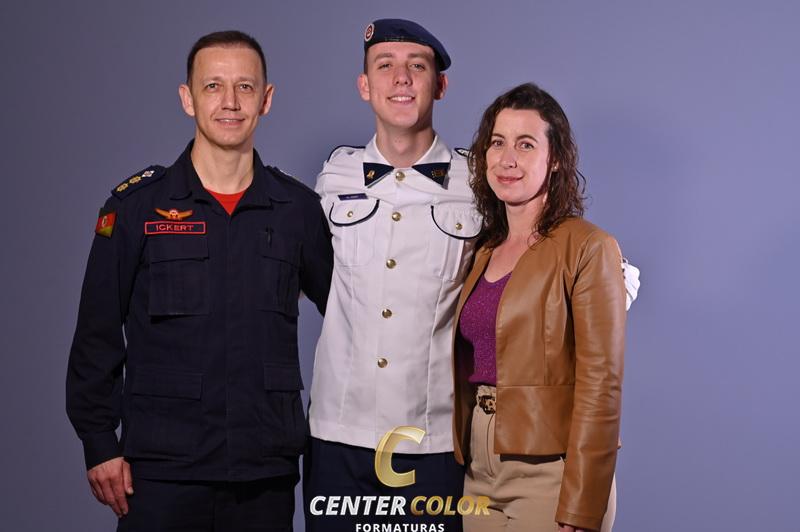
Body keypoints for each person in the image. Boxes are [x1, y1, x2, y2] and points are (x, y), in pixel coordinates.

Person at [304, 20, 638, 532]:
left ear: (440, 85)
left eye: (417, 66)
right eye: (385, 66)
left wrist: (601, 293)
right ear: (364, 85)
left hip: (437, 439)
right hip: (339, 432)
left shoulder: (477, 180)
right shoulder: (334, 175)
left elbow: (572, 263)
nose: (401, 79)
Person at [66, 30, 333, 531]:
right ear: (187, 98)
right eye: (213, 86)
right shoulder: (136, 209)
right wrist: (99, 442)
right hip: (161, 472)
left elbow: (347, 315)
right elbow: (96, 333)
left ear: (266, 99)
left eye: (245, 87)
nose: (230, 102)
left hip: (264, 469)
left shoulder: (297, 211)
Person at [452, 82, 625, 532]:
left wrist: (583, 502)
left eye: (525, 144)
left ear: (556, 159)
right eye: (497, 143)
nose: (507, 159)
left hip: (552, 471)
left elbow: (601, 385)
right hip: (479, 470)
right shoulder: (483, 250)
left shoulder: (588, 247)